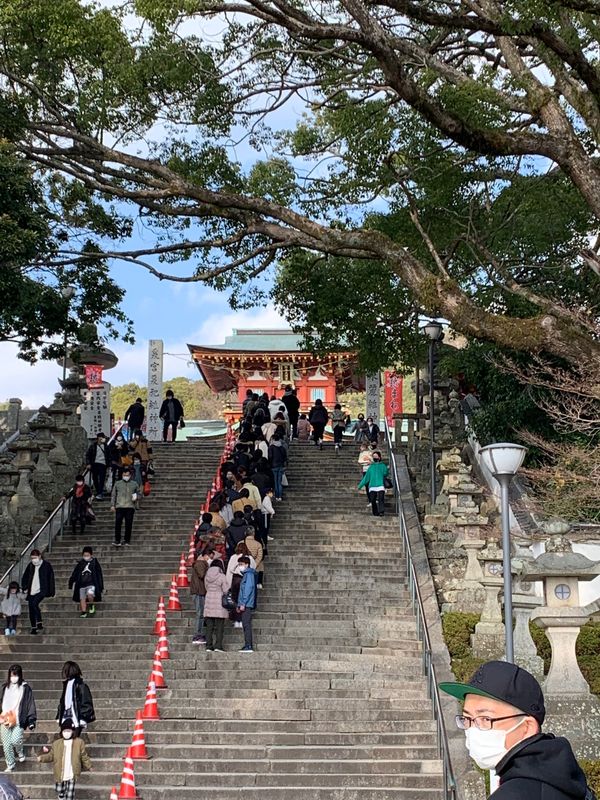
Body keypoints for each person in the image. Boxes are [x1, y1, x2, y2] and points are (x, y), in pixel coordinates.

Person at [439, 660, 594, 800]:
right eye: (467, 718)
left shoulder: (516, 794)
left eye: (485, 719)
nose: (473, 730)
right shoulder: (563, 778)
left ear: (527, 728)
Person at [37, 718, 91, 800]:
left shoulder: (79, 742)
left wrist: (89, 766)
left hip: (72, 771)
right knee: (60, 790)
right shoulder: (56, 744)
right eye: (64, 731)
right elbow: (51, 755)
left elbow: (84, 755)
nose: (66, 733)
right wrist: (42, 758)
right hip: (60, 771)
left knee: (70, 794)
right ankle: (61, 795)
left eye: (69, 731)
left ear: (72, 731)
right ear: (61, 732)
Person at [0, 665, 36, 773]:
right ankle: (10, 764)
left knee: (15, 740)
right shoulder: (4, 687)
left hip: (18, 719)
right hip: (5, 719)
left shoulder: (25, 688)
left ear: (20, 675)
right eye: (12, 675)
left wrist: (31, 720)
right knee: (6, 744)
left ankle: (20, 750)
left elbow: (30, 704)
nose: (13, 677)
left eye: (15, 675)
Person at [56, 662, 95, 738]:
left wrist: (83, 717)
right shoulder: (66, 684)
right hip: (66, 716)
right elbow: (62, 702)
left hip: (76, 717)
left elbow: (86, 702)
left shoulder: (81, 685)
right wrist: (59, 715)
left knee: (74, 738)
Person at [21, 550, 55, 635]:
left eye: (35, 557)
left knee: (34, 604)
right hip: (31, 589)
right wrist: (24, 587)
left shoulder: (46, 565)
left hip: (42, 589)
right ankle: (33, 627)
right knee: (31, 608)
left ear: (39, 556)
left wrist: (51, 590)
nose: (34, 560)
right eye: (32, 558)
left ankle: (39, 622)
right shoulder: (30, 565)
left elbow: (50, 578)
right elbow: (25, 576)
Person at [68, 547, 104, 619]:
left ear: (91, 555)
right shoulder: (80, 563)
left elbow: (99, 574)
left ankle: (91, 605)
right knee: (82, 598)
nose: (86, 557)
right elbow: (75, 573)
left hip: (91, 583)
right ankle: (83, 612)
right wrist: (71, 582)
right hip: (82, 584)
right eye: (84, 555)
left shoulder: (95, 563)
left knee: (90, 594)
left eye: (87, 555)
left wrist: (100, 586)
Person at [203, 559, 229, 652]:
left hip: (209, 599)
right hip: (219, 601)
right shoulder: (222, 576)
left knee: (209, 626)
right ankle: (218, 646)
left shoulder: (207, 576)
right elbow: (225, 590)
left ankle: (208, 646)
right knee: (219, 626)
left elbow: (206, 587)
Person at [110, 466, 139, 547]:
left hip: (130, 506)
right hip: (119, 506)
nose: (126, 476)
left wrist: (136, 497)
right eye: (124, 475)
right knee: (118, 523)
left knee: (128, 524)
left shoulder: (134, 484)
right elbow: (113, 495)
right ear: (122, 475)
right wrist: (112, 505)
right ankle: (117, 540)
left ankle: (127, 540)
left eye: (127, 475)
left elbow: (139, 493)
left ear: (130, 475)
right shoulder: (118, 483)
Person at [190, 547, 214, 645]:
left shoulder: (201, 564)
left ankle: (199, 634)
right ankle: (197, 635)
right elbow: (202, 575)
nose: (211, 559)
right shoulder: (200, 563)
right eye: (210, 557)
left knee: (201, 613)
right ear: (205, 556)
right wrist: (208, 567)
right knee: (200, 614)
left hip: (200, 591)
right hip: (198, 591)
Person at [357, 451, 389, 517]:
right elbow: (366, 478)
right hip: (372, 486)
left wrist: (385, 470)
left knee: (381, 499)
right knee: (373, 500)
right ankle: (375, 512)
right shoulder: (371, 467)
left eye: (376, 456)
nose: (374, 457)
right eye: (373, 456)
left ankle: (381, 512)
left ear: (379, 457)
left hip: (380, 485)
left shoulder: (383, 465)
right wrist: (360, 486)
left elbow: (386, 473)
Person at [236, 556, 257, 653]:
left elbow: (248, 589)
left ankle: (248, 645)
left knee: (246, 624)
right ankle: (247, 644)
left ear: (247, 564)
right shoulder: (247, 574)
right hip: (246, 603)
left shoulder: (248, 574)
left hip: (247, 603)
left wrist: (243, 603)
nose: (240, 566)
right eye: (239, 564)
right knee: (245, 624)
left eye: (241, 564)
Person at [85, 433, 108, 500]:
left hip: (103, 464)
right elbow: (88, 455)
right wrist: (88, 463)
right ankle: (98, 492)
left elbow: (109, 455)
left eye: (103, 437)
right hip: (94, 464)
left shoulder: (106, 446)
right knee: (95, 478)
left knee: (102, 479)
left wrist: (108, 464)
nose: (102, 439)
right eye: (101, 437)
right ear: (98, 438)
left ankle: (100, 493)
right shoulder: (93, 446)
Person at [268, 431, 287, 501]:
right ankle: (280, 496)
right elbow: (285, 457)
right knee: (279, 482)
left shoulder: (271, 447)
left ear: (273, 439)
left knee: (275, 481)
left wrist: (269, 464)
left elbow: (270, 456)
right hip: (281, 466)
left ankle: (276, 496)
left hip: (273, 466)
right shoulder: (282, 447)